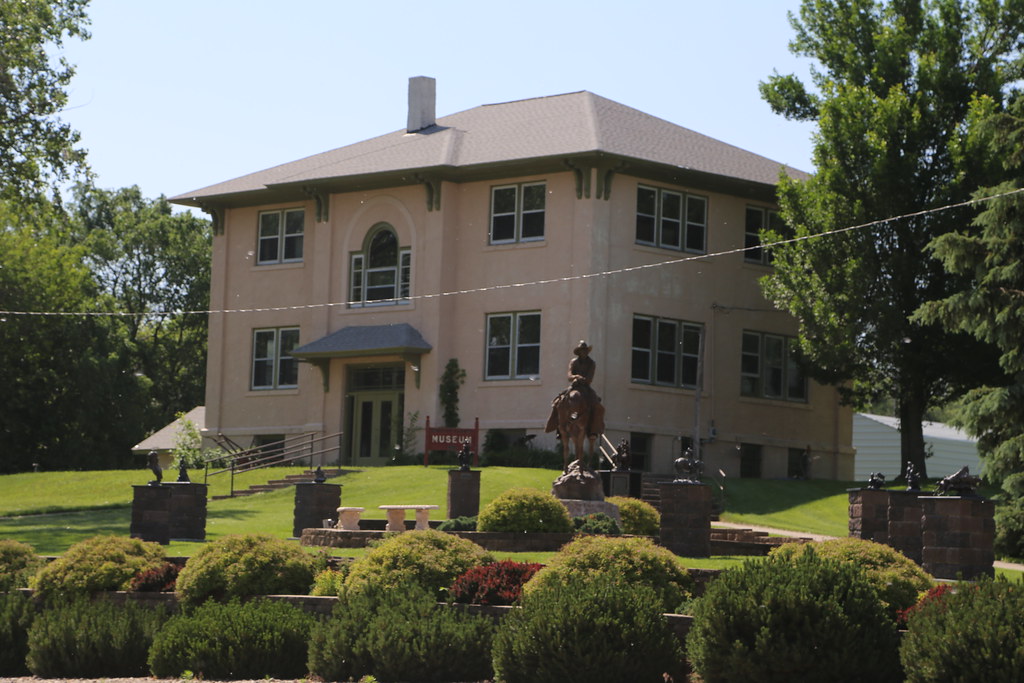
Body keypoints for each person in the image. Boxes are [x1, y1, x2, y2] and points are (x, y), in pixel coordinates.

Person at [545, 340, 605, 436]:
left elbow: (589, 379)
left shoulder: (591, 363)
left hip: (585, 387)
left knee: (599, 407)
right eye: (582, 350)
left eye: (585, 350)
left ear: (587, 351)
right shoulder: (573, 362)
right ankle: (559, 428)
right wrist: (576, 377)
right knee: (558, 403)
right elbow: (569, 376)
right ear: (579, 352)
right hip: (574, 386)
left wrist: (581, 379)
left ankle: (593, 431)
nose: (584, 352)